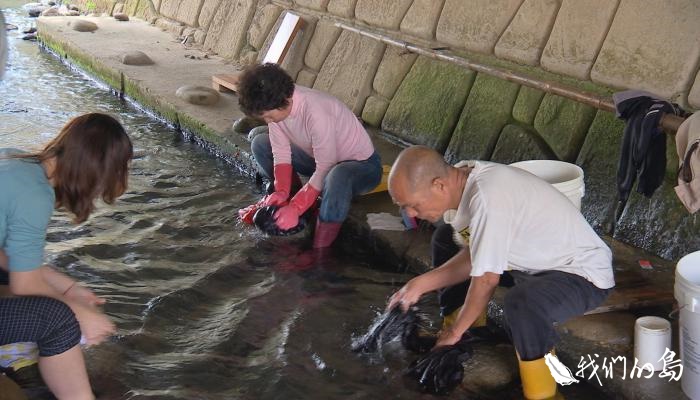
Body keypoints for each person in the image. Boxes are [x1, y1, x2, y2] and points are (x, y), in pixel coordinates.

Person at [386, 146, 614, 400]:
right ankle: (470, 329)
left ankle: (543, 392)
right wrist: (418, 285)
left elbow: (486, 280)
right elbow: (475, 256)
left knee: (523, 303)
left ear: (439, 185)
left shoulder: (486, 196)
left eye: (413, 205)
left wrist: (452, 334)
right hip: (531, 263)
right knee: (445, 239)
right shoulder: (462, 179)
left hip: (580, 273)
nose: (410, 214)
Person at [0, 113, 133, 400]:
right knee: (59, 320)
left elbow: (5, 255)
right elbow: (24, 285)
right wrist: (80, 312)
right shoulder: (35, 195)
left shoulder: (13, 160)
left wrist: (68, 288)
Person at [237, 63, 382, 248]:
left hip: (362, 167)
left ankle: (320, 249)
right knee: (260, 144)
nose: (267, 121)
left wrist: (297, 207)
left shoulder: (315, 110)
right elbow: (281, 153)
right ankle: (291, 200)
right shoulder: (276, 106)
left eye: (268, 116)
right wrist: (281, 191)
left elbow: (326, 166)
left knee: (336, 175)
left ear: (284, 100)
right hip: (318, 159)